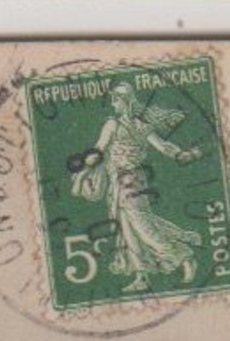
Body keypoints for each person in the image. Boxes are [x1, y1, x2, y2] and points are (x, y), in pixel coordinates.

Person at [70, 82, 205, 292]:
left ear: (125, 102)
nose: (113, 102)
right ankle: (142, 276)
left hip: (127, 182)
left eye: (116, 99)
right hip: (130, 180)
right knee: (128, 228)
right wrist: (183, 155)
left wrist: (84, 168)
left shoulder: (114, 125)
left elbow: (99, 150)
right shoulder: (141, 126)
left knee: (142, 225)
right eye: (113, 98)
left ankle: (183, 256)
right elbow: (165, 147)